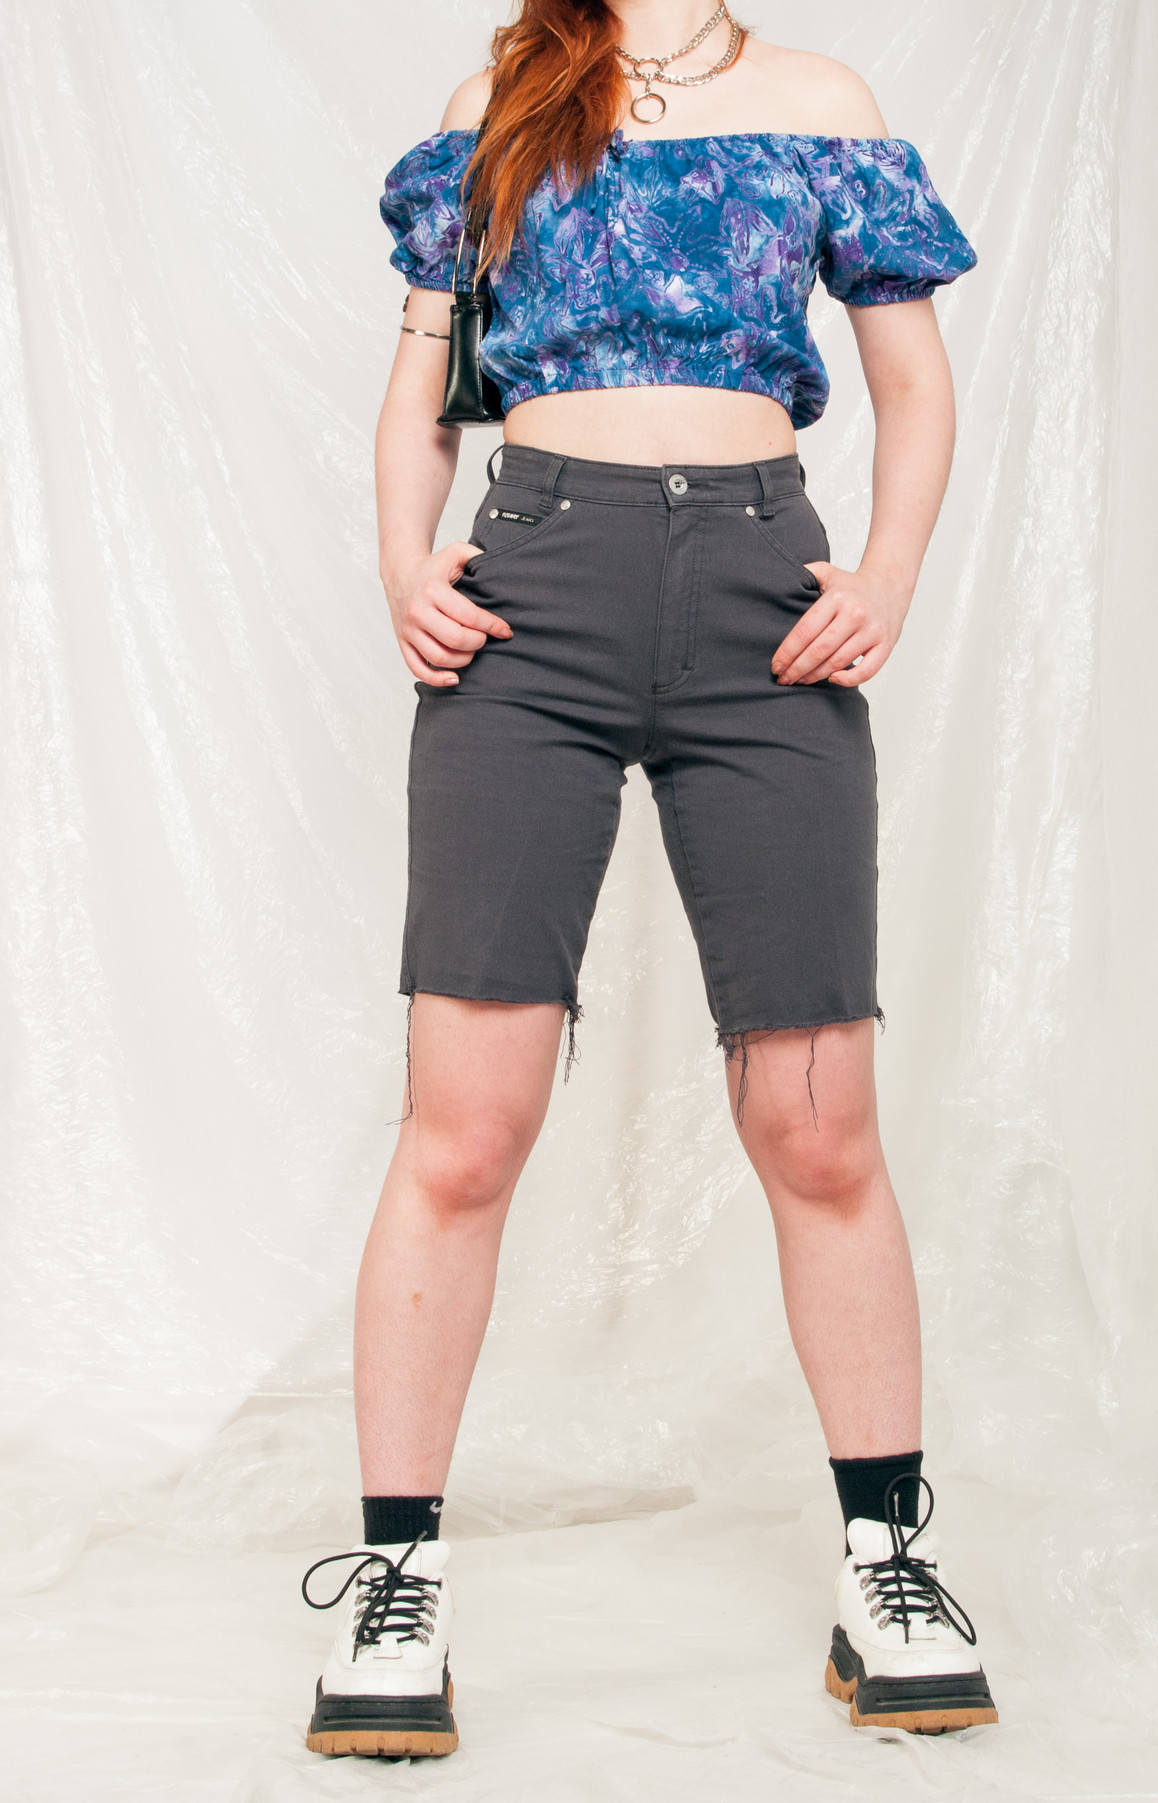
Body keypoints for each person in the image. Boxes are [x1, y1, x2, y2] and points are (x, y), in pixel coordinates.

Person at [299, 0, 995, 1758]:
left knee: (818, 1122)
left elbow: (915, 385)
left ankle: (889, 1561)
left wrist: (888, 578)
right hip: (531, 597)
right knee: (466, 1126)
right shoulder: (502, 96)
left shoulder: (822, 104)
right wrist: (402, 562)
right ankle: (397, 1581)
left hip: (766, 600)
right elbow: (422, 391)